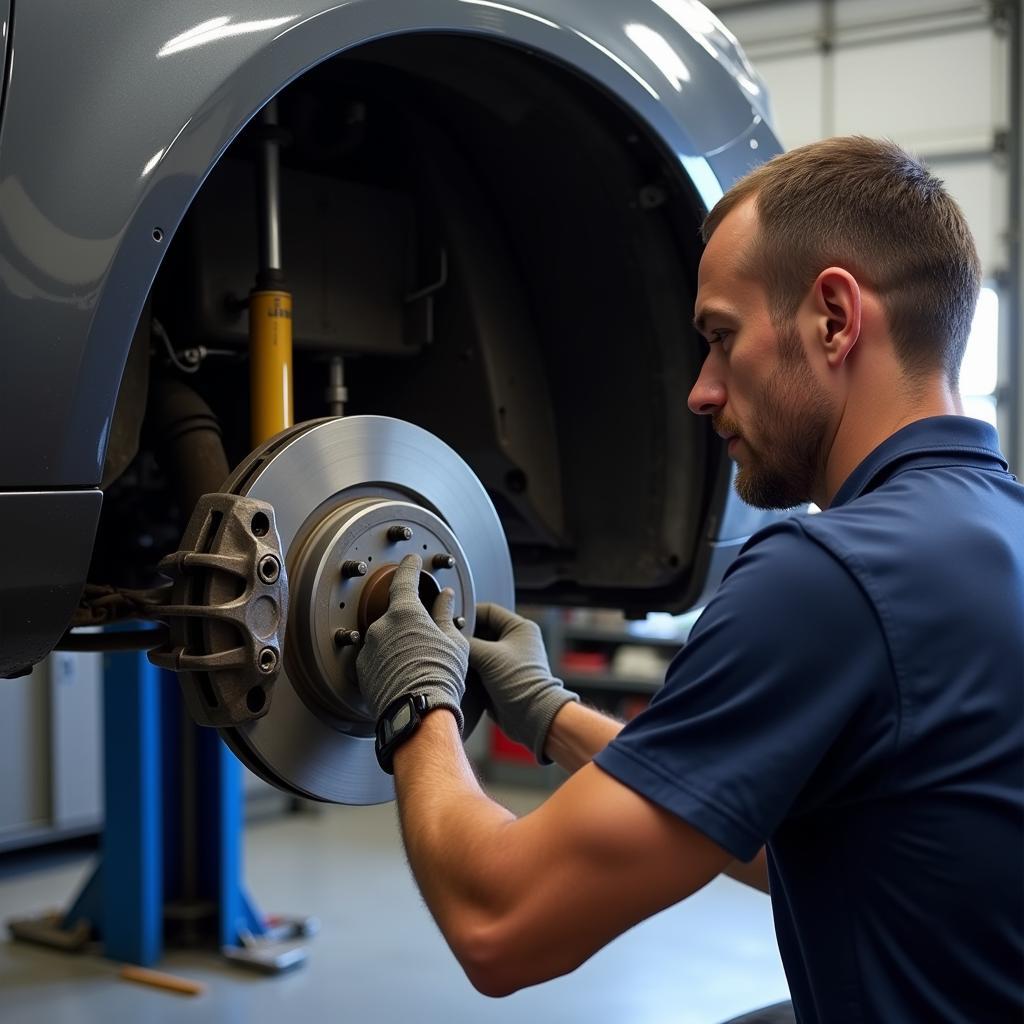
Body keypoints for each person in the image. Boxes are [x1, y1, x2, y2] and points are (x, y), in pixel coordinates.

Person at [355, 136, 1024, 1022]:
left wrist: (417, 703)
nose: (700, 392)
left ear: (834, 316)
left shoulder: (826, 579)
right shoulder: (995, 532)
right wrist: (551, 714)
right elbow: (786, 825)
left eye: (721, 337)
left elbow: (500, 923)